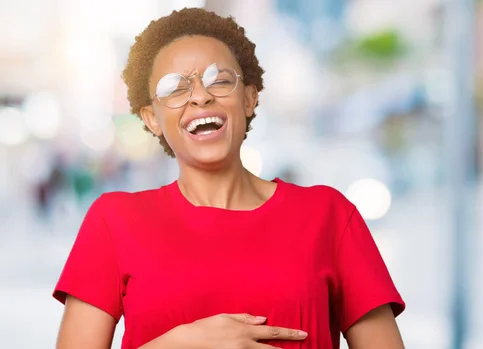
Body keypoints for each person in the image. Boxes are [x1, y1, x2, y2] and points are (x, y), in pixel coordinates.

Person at [53, 7, 406, 349]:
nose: (201, 97)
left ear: (250, 98)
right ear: (151, 118)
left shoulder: (329, 215)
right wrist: (180, 344)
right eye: (174, 88)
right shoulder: (113, 222)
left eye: (219, 80)